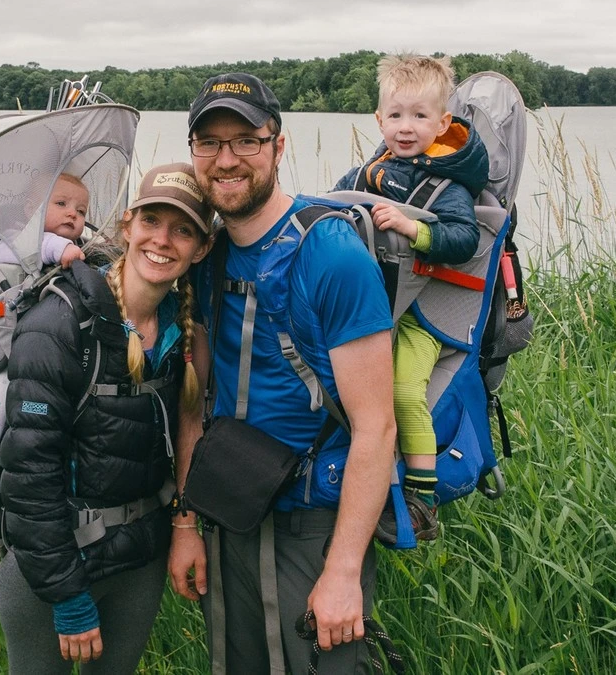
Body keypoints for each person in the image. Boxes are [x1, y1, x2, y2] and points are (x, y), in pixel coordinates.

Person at [170, 72, 397, 673]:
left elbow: (377, 427)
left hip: (312, 525)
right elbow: (195, 401)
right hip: (229, 511)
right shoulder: (207, 255)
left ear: (278, 145)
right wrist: (187, 522)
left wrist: (344, 572)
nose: (226, 160)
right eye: (209, 144)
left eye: (245, 140)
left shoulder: (332, 254)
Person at [0, 163, 213, 673]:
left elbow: (187, 435)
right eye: (152, 221)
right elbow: (28, 477)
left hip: (138, 562)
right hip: (52, 569)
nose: (163, 240)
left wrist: (184, 526)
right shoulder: (59, 324)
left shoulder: (185, 335)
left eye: (183, 230)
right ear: (127, 227)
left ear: (200, 249)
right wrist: (67, 596)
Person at [332, 53, 489, 543]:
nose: (406, 127)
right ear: (379, 120)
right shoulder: (370, 173)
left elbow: (465, 240)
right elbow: (330, 203)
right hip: (380, 306)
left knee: (403, 392)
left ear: (442, 123)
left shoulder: (448, 185)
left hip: (424, 313)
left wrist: (414, 228)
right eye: (396, 115)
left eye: (420, 116)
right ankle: (373, 480)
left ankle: (422, 497)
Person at [0, 172, 91, 496]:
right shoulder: (16, 239)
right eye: (61, 204)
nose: (72, 214)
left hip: (37, 350)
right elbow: (31, 250)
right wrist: (61, 248)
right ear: (30, 210)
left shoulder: (74, 246)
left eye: (81, 211)